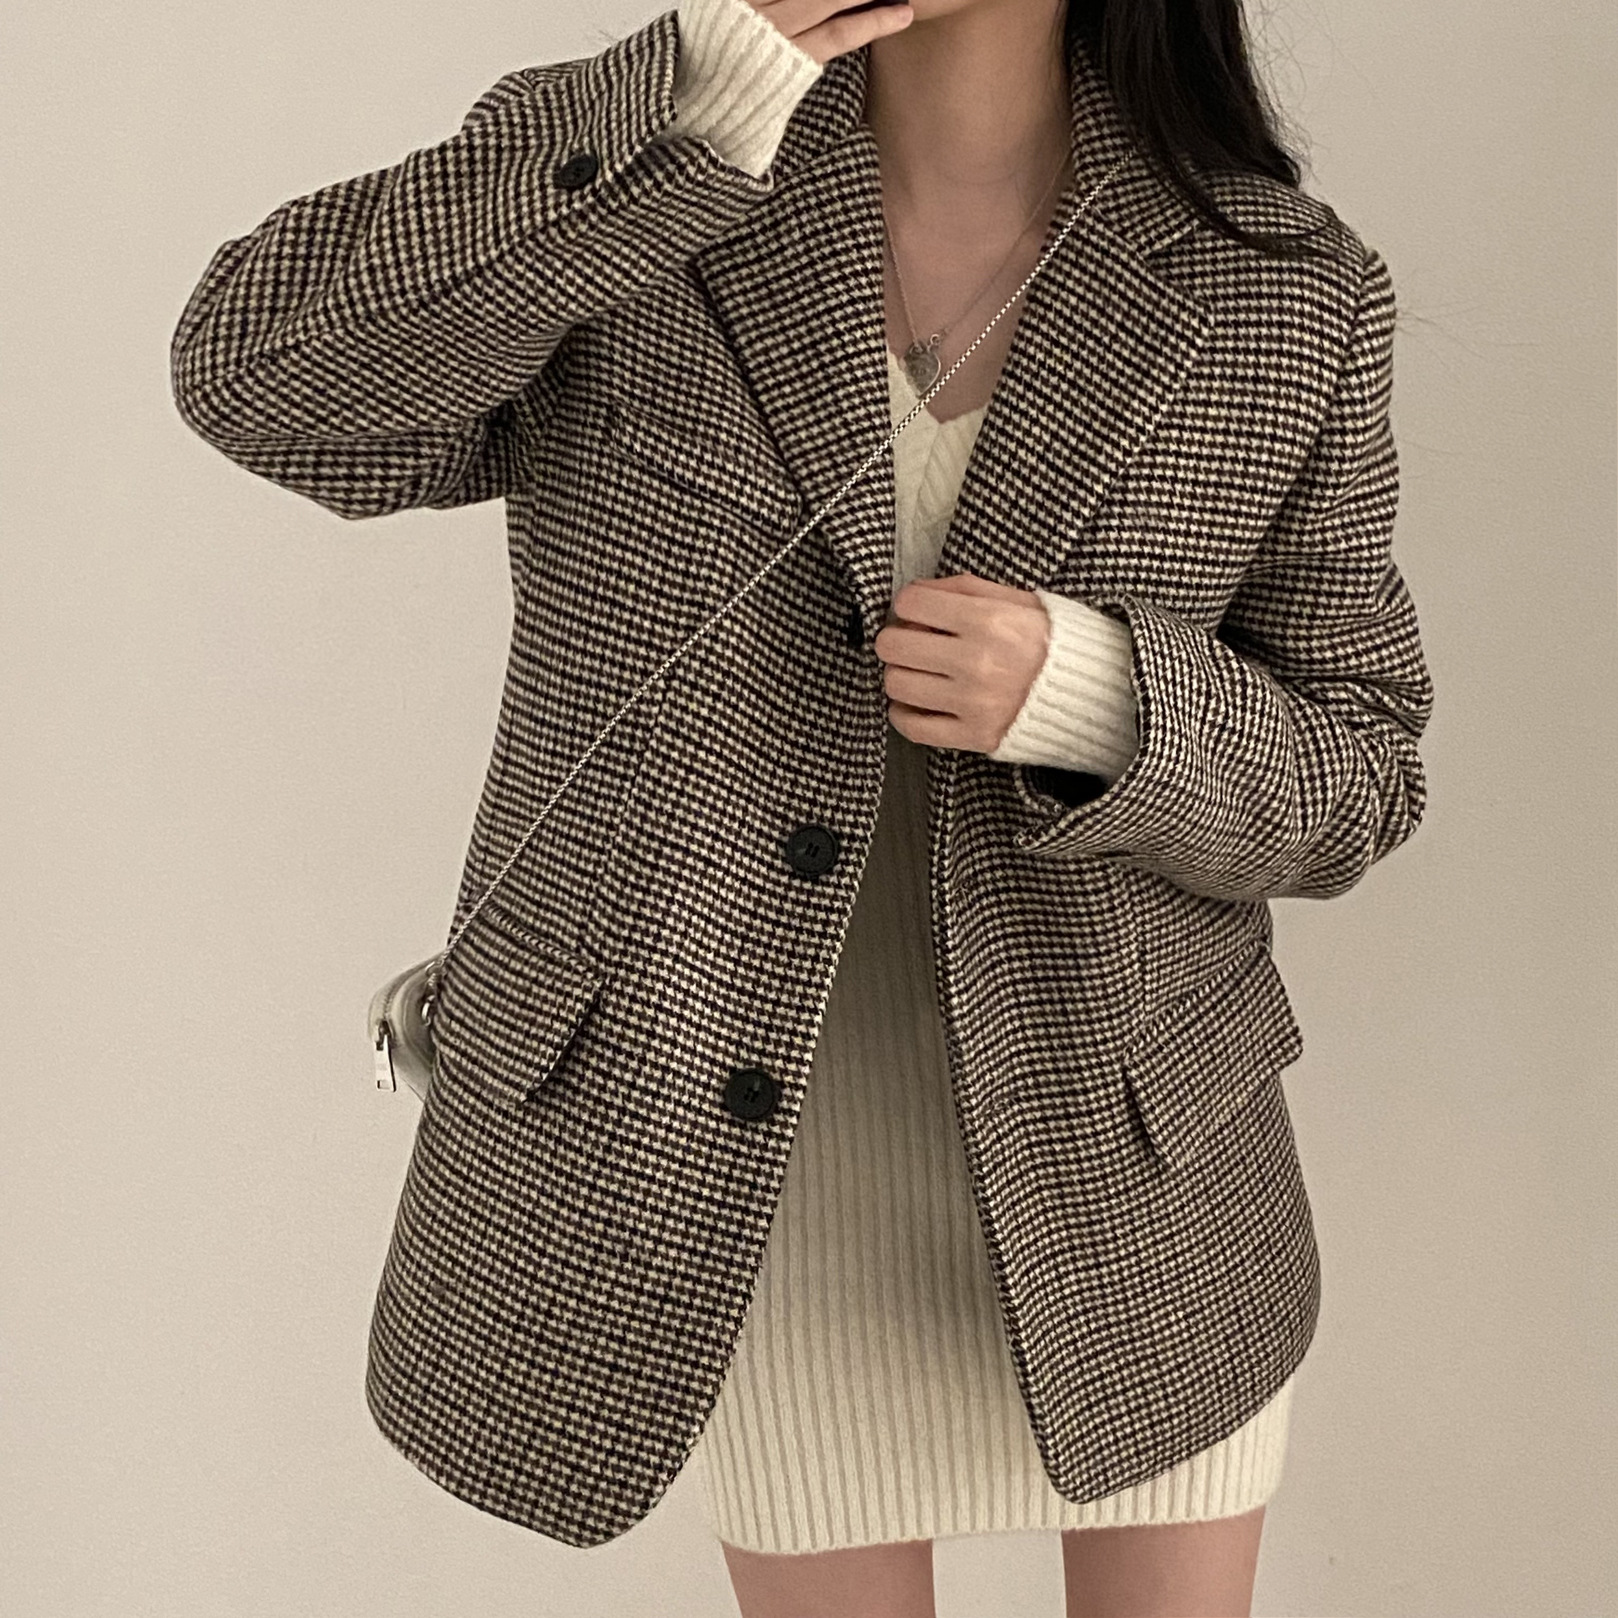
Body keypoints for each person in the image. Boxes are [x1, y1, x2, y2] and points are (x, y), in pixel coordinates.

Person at [170, 1, 1433, 1615]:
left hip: (1133, 1206)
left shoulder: (1283, 287)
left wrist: (1104, 700)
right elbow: (256, 383)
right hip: (734, 1185)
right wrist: (690, 98)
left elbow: (1358, 769)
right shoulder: (644, 177)